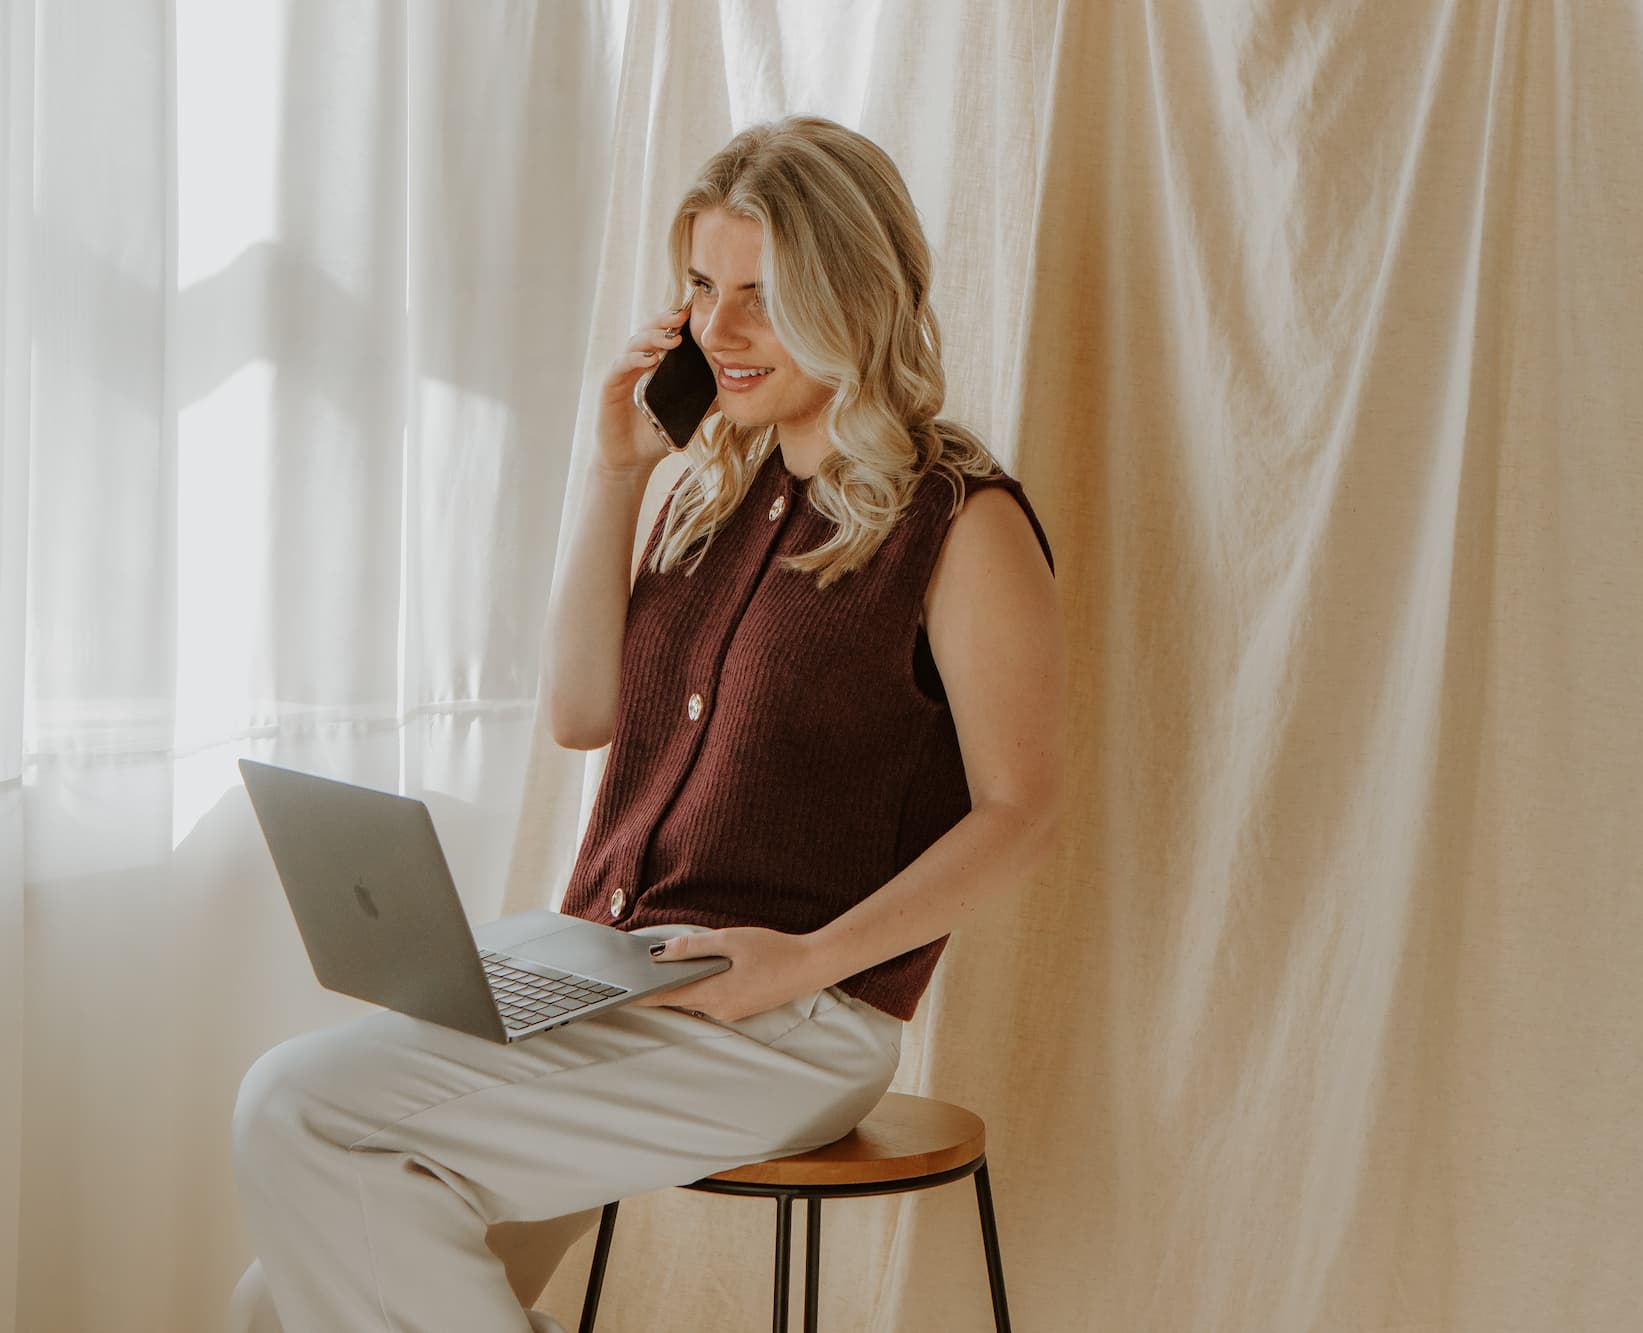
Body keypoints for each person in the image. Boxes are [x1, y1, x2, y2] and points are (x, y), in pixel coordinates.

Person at [225, 115, 1065, 1332]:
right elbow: (580, 714)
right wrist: (616, 469)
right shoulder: (707, 495)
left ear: (856, 296)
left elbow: (1021, 812)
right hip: (604, 968)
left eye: (761, 297)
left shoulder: (957, 521)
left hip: (787, 1021)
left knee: (298, 1112)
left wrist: (809, 959)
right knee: (292, 1285)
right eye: (700, 289)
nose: (716, 331)